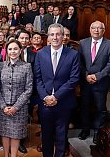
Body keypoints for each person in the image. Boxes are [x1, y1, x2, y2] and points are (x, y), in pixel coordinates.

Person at [34, 23, 80, 157]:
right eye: (52, 34)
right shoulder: (41, 54)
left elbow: (74, 79)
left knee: (61, 136)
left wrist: (56, 97)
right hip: (45, 102)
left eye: (58, 34)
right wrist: (46, 97)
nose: (55, 37)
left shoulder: (73, 54)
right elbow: (38, 78)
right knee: (46, 135)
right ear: (48, 37)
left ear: (63, 36)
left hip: (64, 102)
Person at [78, 21, 110, 143]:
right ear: (90, 30)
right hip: (86, 81)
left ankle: (98, 131)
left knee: (100, 107)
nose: (96, 30)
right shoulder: (83, 43)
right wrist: (86, 75)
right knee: (84, 106)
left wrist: (97, 76)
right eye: (93, 28)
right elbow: (79, 62)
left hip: (101, 82)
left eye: (99, 28)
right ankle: (85, 129)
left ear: (103, 30)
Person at [0, 39, 33, 157]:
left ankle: (13, 155)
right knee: (5, 132)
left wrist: (16, 107)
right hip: (3, 107)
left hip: (19, 108)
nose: (13, 51)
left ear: (20, 50)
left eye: (15, 49)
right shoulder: (0, 66)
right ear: (6, 51)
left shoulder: (26, 66)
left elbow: (29, 89)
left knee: (16, 134)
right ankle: (6, 154)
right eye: (10, 49)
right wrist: (3, 106)